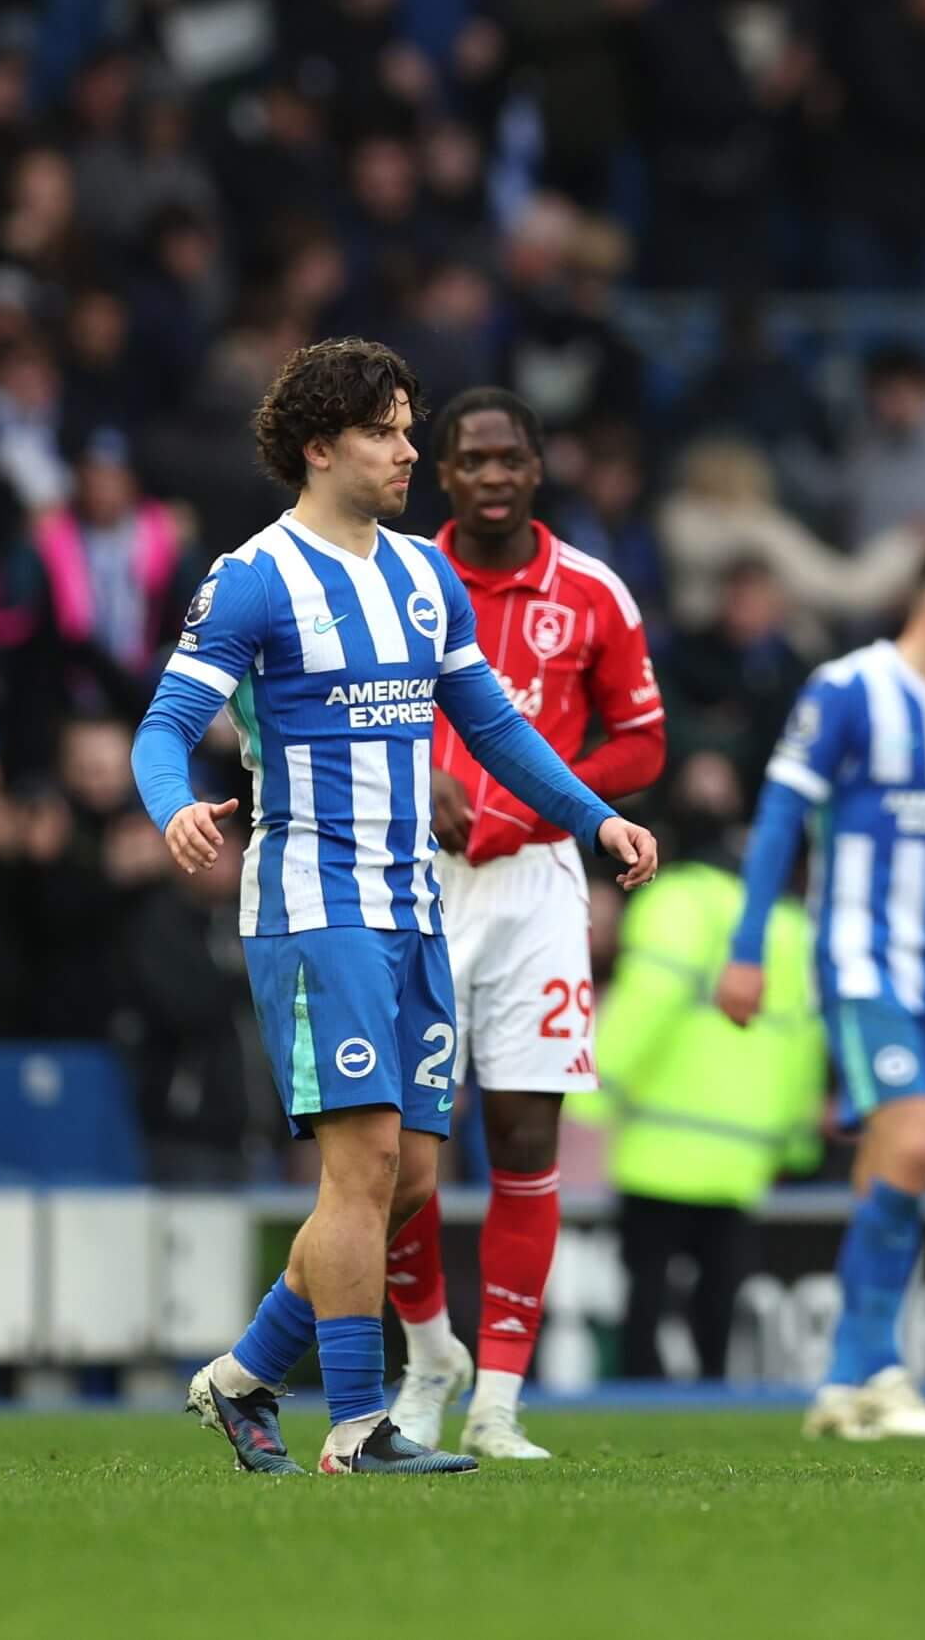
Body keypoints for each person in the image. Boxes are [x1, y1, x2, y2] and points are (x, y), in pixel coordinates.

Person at [131, 339, 658, 1477]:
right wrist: (172, 806)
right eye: (387, 432)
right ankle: (361, 1425)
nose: (409, 451)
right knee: (365, 1169)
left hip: (413, 903)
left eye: (409, 428)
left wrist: (589, 817)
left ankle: (240, 1380)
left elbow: (496, 726)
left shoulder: (423, 576)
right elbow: (164, 726)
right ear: (319, 448)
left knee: (409, 1178)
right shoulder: (254, 578)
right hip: (314, 904)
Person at [383, 386, 667, 1460]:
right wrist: (420, 772)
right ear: (441, 473)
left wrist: (547, 801)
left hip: (540, 889)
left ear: (539, 466)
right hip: (411, 882)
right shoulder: (397, 578)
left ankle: (498, 1402)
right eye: (471, 459)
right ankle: (427, 1360)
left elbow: (642, 744)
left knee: (524, 1140)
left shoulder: (593, 591)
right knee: (407, 1148)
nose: (492, 475)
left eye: (510, 457)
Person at [715, 525, 925, 1442]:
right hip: (861, 959)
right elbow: (778, 817)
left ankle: (850, 1379)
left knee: (901, 1159)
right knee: (915, 1143)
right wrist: (749, 943)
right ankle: (871, 1363)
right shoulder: (849, 688)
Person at [591, 841, 827, 1382]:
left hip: (657, 1148)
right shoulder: (787, 924)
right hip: (742, 1154)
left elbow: (644, 1004)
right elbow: (803, 1042)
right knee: (720, 1301)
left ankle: (638, 1408)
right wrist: (796, 1139)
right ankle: (715, 1398)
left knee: (644, 1298)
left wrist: (588, 1092)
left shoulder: (675, 901)